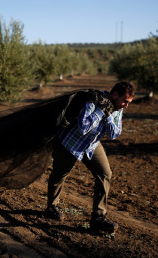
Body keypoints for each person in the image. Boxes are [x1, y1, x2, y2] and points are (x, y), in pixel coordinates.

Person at [45, 81, 135, 233]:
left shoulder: (118, 108)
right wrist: (101, 111)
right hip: (70, 142)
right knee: (60, 173)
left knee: (105, 174)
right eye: (125, 101)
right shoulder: (94, 100)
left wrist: (107, 116)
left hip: (92, 145)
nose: (126, 105)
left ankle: (98, 218)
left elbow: (114, 134)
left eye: (129, 103)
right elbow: (83, 127)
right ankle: (51, 207)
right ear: (115, 95)